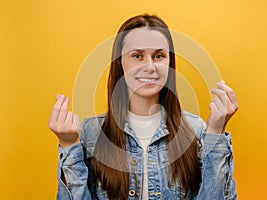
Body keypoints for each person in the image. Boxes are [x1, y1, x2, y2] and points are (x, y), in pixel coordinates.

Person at [49, 14, 238, 200]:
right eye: (137, 55)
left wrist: (216, 133)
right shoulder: (90, 134)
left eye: (158, 56)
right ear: (119, 62)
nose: (149, 66)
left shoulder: (196, 131)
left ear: (169, 63)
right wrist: (69, 145)